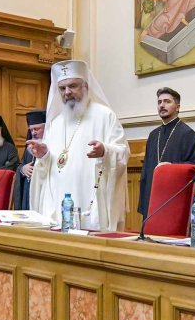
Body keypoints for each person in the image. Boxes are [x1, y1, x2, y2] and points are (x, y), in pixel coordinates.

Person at [28, 60, 129, 229]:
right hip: (59, 200)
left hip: (89, 200)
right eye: (62, 88)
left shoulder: (105, 116)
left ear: (86, 87)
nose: (67, 92)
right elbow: (50, 165)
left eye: (73, 86)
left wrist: (105, 150)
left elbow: (123, 152)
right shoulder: (56, 123)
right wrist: (44, 155)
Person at [138, 87, 195, 217]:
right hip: (152, 199)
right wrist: (144, 205)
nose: (162, 105)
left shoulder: (187, 134)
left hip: (175, 199)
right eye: (159, 102)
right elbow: (145, 173)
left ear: (177, 107)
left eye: (167, 101)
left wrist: (172, 168)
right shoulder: (153, 135)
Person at [13, 110, 45, 211]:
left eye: (37, 129)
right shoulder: (29, 148)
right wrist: (23, 169)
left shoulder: (50, 146)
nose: (33, 133)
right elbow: (20, 165)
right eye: (31, 130)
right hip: (28, 191)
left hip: (42, 192)